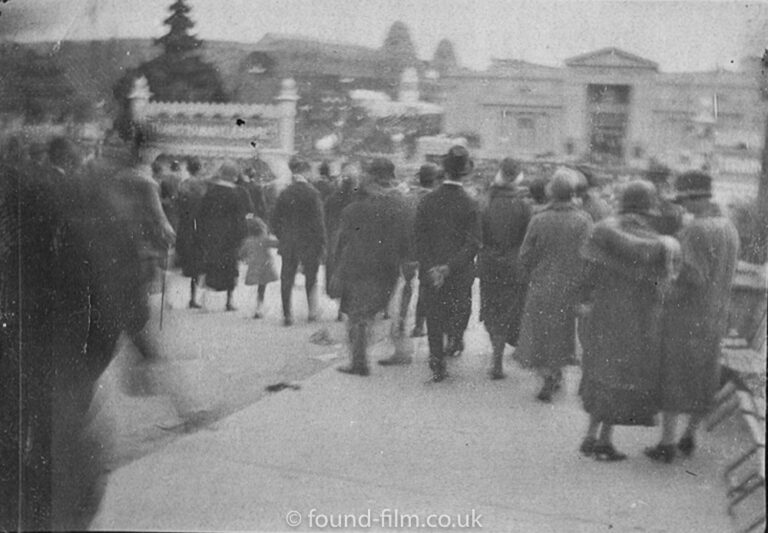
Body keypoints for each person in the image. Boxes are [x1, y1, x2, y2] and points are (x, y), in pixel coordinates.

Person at [578, 180, 681, 461]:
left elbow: (587, 275)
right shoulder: (659, 244)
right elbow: (664, 287)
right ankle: (604, 443)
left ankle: (590, 435)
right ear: (648, 208)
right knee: (617, 377)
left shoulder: (602, 232)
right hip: (634, 320)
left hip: (601, 313)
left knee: (599, 371)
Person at [646, 171, 740, 463]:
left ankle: (666, 443)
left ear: (697, 199)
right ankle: (689, 436)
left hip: (686, 317)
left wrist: (664, 288)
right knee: (702, 376)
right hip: (714, 315)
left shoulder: (697, 230)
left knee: (673, 377)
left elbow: (692, 276)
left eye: (685, 200)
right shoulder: (728, 227)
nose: (683, 206)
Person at [515, 168, 593, 401]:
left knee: (539, 332)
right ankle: (556, 372)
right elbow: (590, 257)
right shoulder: (584, 220)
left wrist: (529, 274)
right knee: (561, 332)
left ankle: (548, 376)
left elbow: (525, 255)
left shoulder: (539, 219)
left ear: (551, 193)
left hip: (542, 284)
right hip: (570, 286)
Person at [330, 158, 412, 376]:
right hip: (388, 269)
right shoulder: (401, 206)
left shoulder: (353, 209)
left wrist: (336, 269)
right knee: (372, 312)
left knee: (357, 315)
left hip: (358, 267)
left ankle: (359, 362)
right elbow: (407, 241)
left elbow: (341, 242)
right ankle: (365, 358)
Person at [414, 146, 481, 382]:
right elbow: (473, 243)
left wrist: (433, 266)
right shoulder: (471, 203)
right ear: (465, 172)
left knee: (433, 314)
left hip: (431, 271)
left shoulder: (427, 201)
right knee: (458, 309)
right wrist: (449, 267)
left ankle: (437, 362)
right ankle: (454, 339)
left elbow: (419, 239)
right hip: (459, 271)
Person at [478, 157, 532, 379]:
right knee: (507, 311)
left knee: (491, 309)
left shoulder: (485, 202)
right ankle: (498, 360)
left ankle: (496, 359)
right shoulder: (523, 205)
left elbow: (478, 235)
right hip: (512, 265)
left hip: (489, 264)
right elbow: (527, 239)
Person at [272, 156, 327, 325]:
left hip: (289, 241)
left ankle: (287, 314)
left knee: (287, 277)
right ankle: (311, 312)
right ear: (304, 171)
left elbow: (274, 219)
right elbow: (319, 221)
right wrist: (322, 242)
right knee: (311, 277)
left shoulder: (285, 193)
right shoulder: (312, 193)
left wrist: (282, 236)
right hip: (309, 241)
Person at [198, 162, 248, 311]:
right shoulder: (237, 194)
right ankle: (229, 301)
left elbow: (201, 215)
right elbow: (240, 219)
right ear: (233, 176)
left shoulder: (210, 192)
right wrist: (242, 237)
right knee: (230, 269)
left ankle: (206, 300)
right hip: (230, 239)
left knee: (211, 266)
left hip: (212, 236)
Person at [406, 163, 441, 338]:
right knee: (425, 287)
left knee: (406, 286)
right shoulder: (437, 200)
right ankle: (419, 325)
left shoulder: (410, 197)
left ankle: (402, 321)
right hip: (429, 250)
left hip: (408, 248)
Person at [324, 160, 362, 320]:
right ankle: (345, 307)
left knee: (337, 271)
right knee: (351, 274)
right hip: (353, 241)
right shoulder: (358, 200)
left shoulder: (332, 199)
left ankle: (339, 308)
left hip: (335, 240)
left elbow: (326, 219)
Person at [175, 163, 208, 308]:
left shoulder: (183, 185)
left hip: (185, 227)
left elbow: (178, 205)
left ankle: (189, 297)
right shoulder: (201, 186)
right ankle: (195, 298)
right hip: (199, 227)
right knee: (198, 263)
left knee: (189, 262)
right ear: (199, 169)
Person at [239, 217, 280, 319]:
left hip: (253, 268)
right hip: (265, 268)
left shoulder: (248, 241)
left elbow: (241, 253)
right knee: (262, 288)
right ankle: (259, 307)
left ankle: (253, 307)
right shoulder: (265, 239)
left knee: (254, 289)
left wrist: (245, 258)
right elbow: (277, 244)